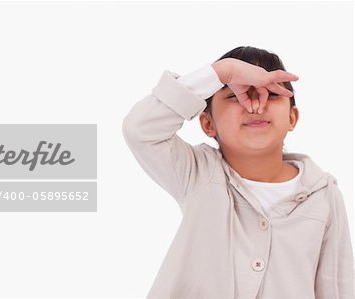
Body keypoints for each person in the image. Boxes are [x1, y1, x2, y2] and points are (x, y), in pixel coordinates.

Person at [122, 46, 354, 299]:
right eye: (234, 95)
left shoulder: (324, 195)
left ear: (292, 118)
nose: (255, 105)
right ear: (207, 124)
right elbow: (140, 130)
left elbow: (337, 288)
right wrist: (221, 73)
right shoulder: (198, 173)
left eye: (272, 94)